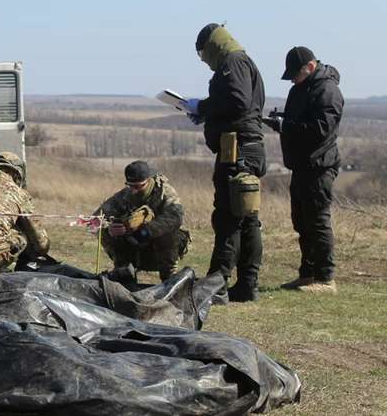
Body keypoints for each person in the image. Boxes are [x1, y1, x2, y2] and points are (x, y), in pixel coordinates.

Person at [180, 23, 266, 302]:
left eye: (203, 54)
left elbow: (237, 102)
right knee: (247, 218)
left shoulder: (233, 62)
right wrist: (207, 114)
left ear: (213, 47)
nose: (204, 62)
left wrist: (202, 107)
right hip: (247, 148)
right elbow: (235, 103)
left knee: (229, 218)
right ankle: (247, 285)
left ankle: (217, 284)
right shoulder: (243, 62)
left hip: (236, 151)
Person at [263, 47, 343, 294]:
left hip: (319, 166)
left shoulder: (328, 90)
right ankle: (307, 274)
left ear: (309, 67)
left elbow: (321, 128)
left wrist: (286, 125)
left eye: (295, 75)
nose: (292, 80)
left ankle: (325, 278)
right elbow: (301, 118)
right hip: (301, 165)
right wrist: (281, 120)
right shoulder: (302, 88)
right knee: (302, 221)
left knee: (318, 221)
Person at [93, 161, 189, 284]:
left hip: (161, 247)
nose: (133, 191)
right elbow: (96, 219)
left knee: (167, 231)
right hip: (134, 247)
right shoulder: (125, 195)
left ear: (148, 181)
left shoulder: (164, 192)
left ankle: (168, 277)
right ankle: (124, 271)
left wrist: (144, 231)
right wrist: (110, 228)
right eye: (130, 186)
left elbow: (175, 217)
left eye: (138, 186)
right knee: (104, 231)